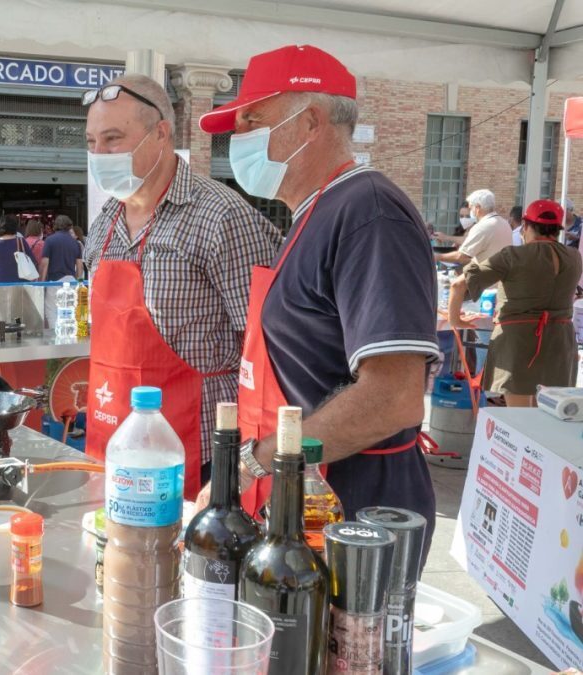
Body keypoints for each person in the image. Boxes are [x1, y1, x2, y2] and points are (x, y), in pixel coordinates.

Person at [196, 45, 441, 560]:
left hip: (356, 519)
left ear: (310, 121)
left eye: (251, 121)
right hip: (306, 503)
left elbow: (394, 396)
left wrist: (258, 461)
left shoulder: (369, 213)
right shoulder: (317, 211)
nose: (236, 140)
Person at [82, 73, 281, 500]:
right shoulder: (103, 225)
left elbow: (266, 348)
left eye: (113, 139)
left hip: (199, 446)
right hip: (113, 434)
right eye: (91, 142)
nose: (100, 154)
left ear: (160, 133)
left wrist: (253, 458)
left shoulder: (221, 217)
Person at [449, 199, 581, 406]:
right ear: (557, 229)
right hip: (560, 342)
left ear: (526, 226)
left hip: (517, 342)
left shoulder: (513, 256)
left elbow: (458, 285)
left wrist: (455, 320)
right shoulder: (574, 257)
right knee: (548, 417)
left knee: (519, 419)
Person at [435, 189, 512, 265]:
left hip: (486, 275)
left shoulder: (482, 226)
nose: (471, 210)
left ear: (477, 208)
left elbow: (461, 256)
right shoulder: (505, 223)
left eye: (471, 207)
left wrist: (436, 257)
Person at [0, 214, 37, 283]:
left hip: (1, 282)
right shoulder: (21, 241)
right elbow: (33, 260)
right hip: (21, 282)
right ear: (14, 227)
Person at [39, 215, 84, 281]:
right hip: (70, 282)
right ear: (69, 226)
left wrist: (41, 284)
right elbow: (80, 266)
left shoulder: (49, 240)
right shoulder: (76, 243)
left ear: (55, 225)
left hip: (54, 282)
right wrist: (78, 283)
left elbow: (44, 263)